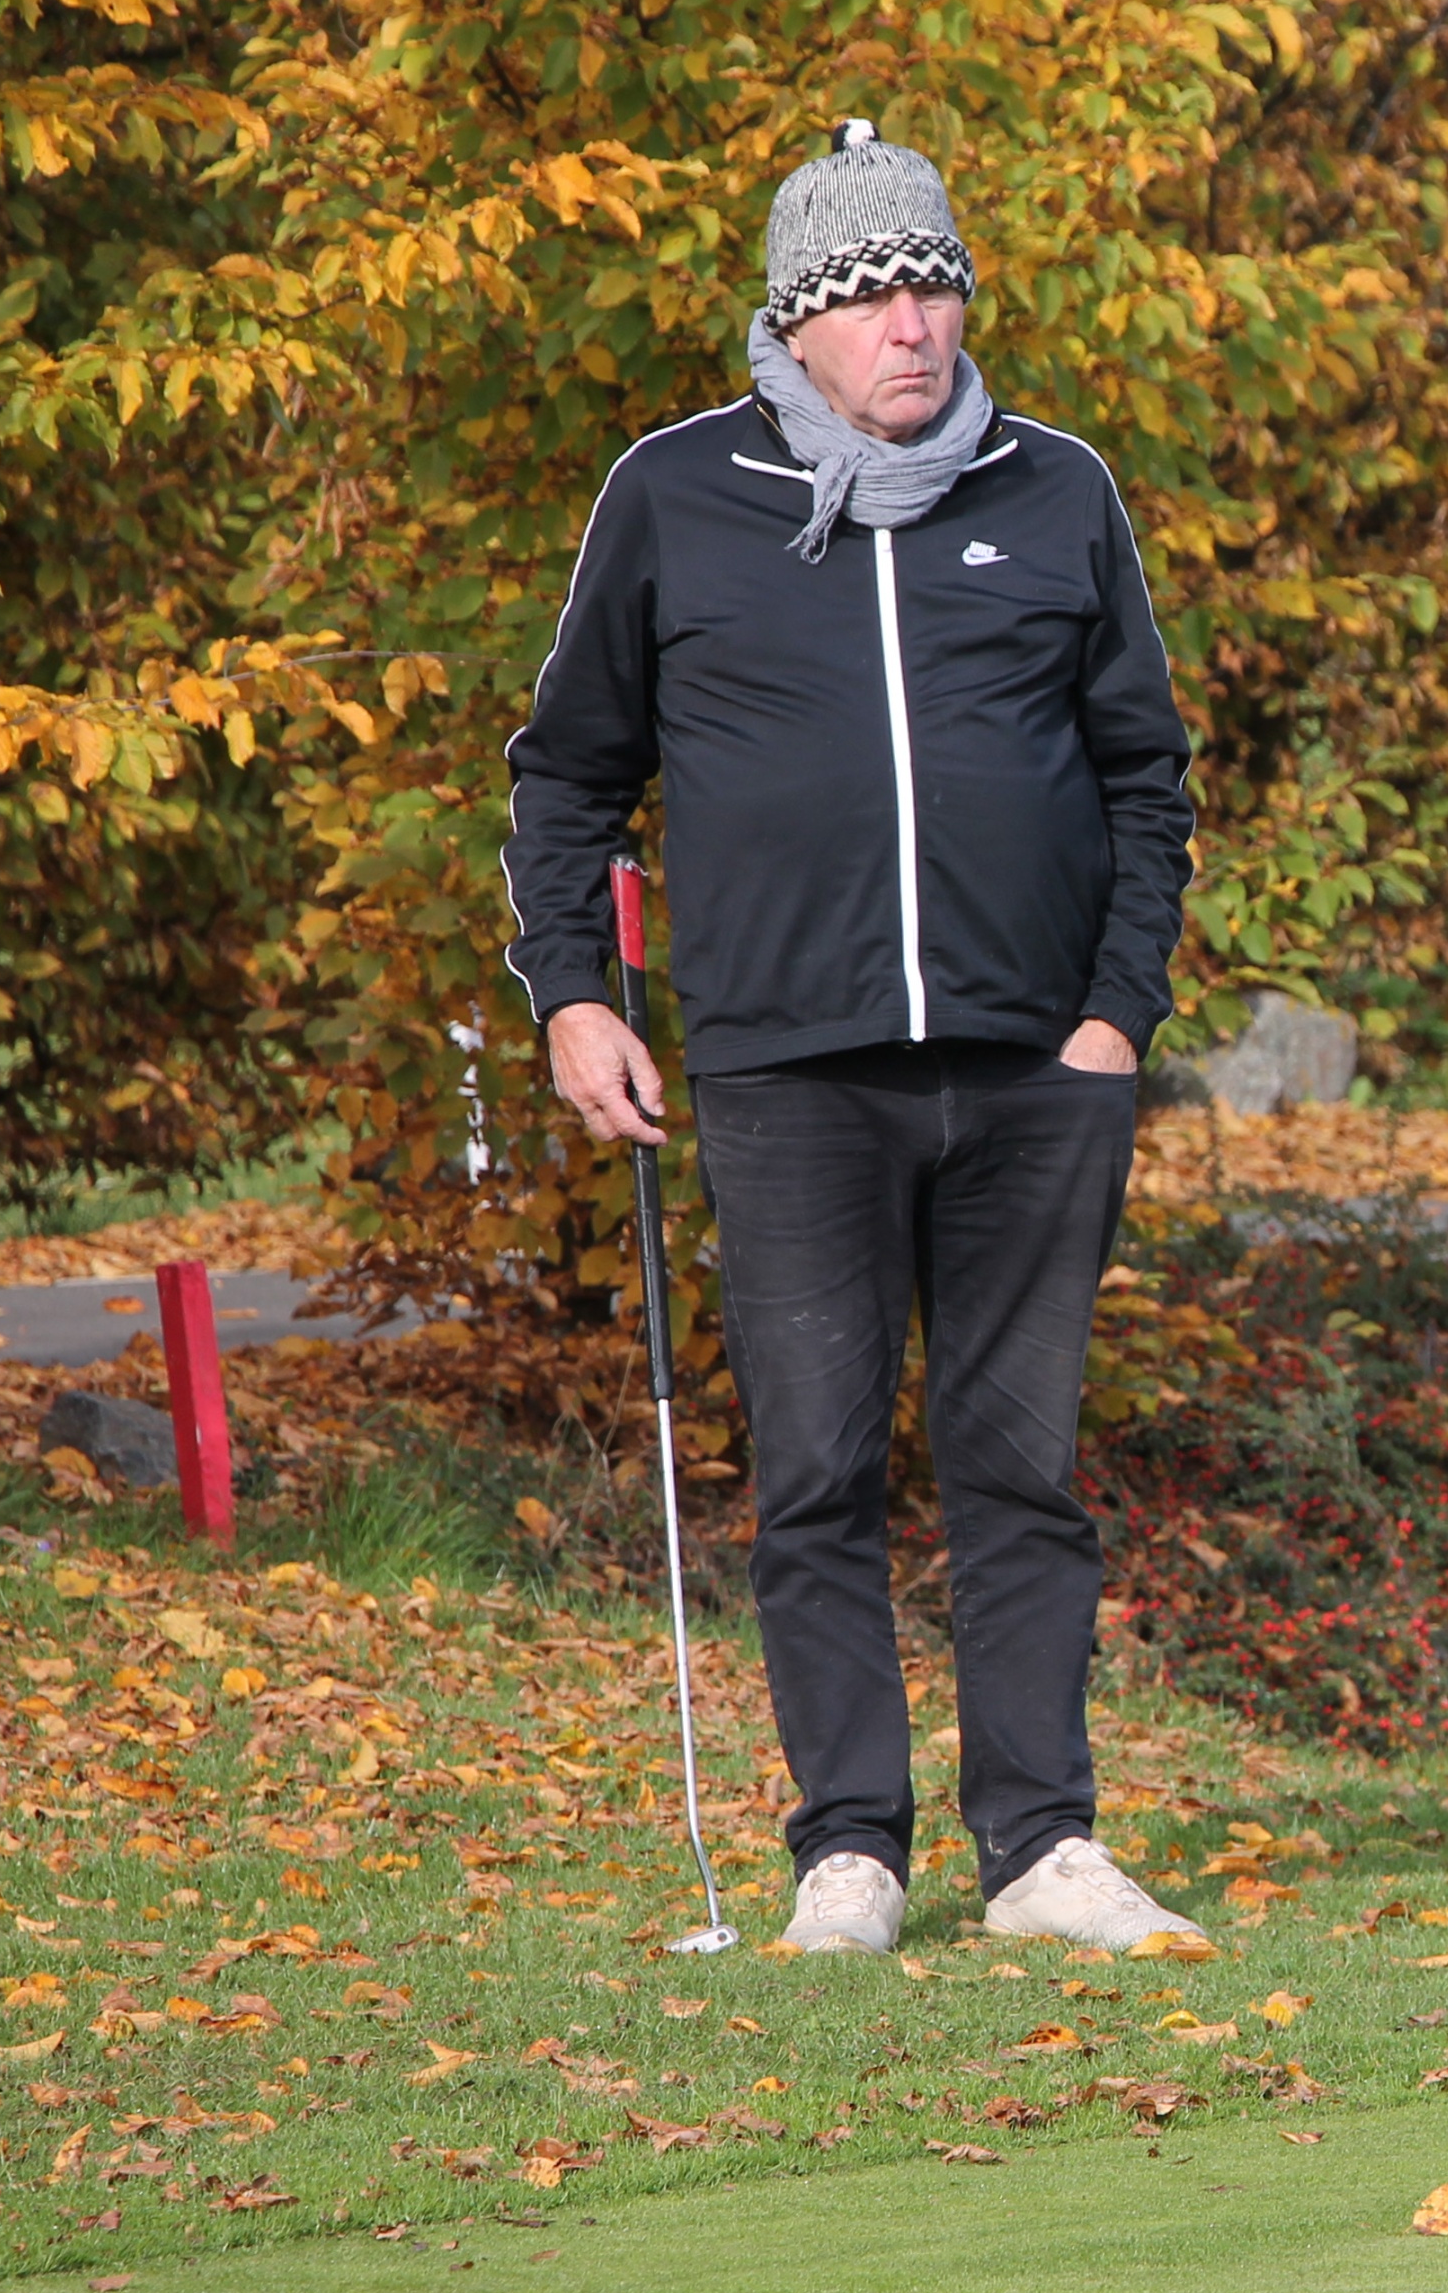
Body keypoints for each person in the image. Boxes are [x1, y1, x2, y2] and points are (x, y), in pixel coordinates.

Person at [504, 122, 1205, 1959]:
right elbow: (568, 776)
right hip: (786, 1072)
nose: (915, 325)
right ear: (798, 323)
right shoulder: (678, 494)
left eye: (935, 288)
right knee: (816, 1471)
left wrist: (1116, 1018)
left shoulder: (1057, 491)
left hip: (1038, 1071)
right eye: (875, 296)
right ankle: (850, 1856)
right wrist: (573, 994)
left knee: (1020, 1468)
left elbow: (1146, 776)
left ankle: (1043, 1850)